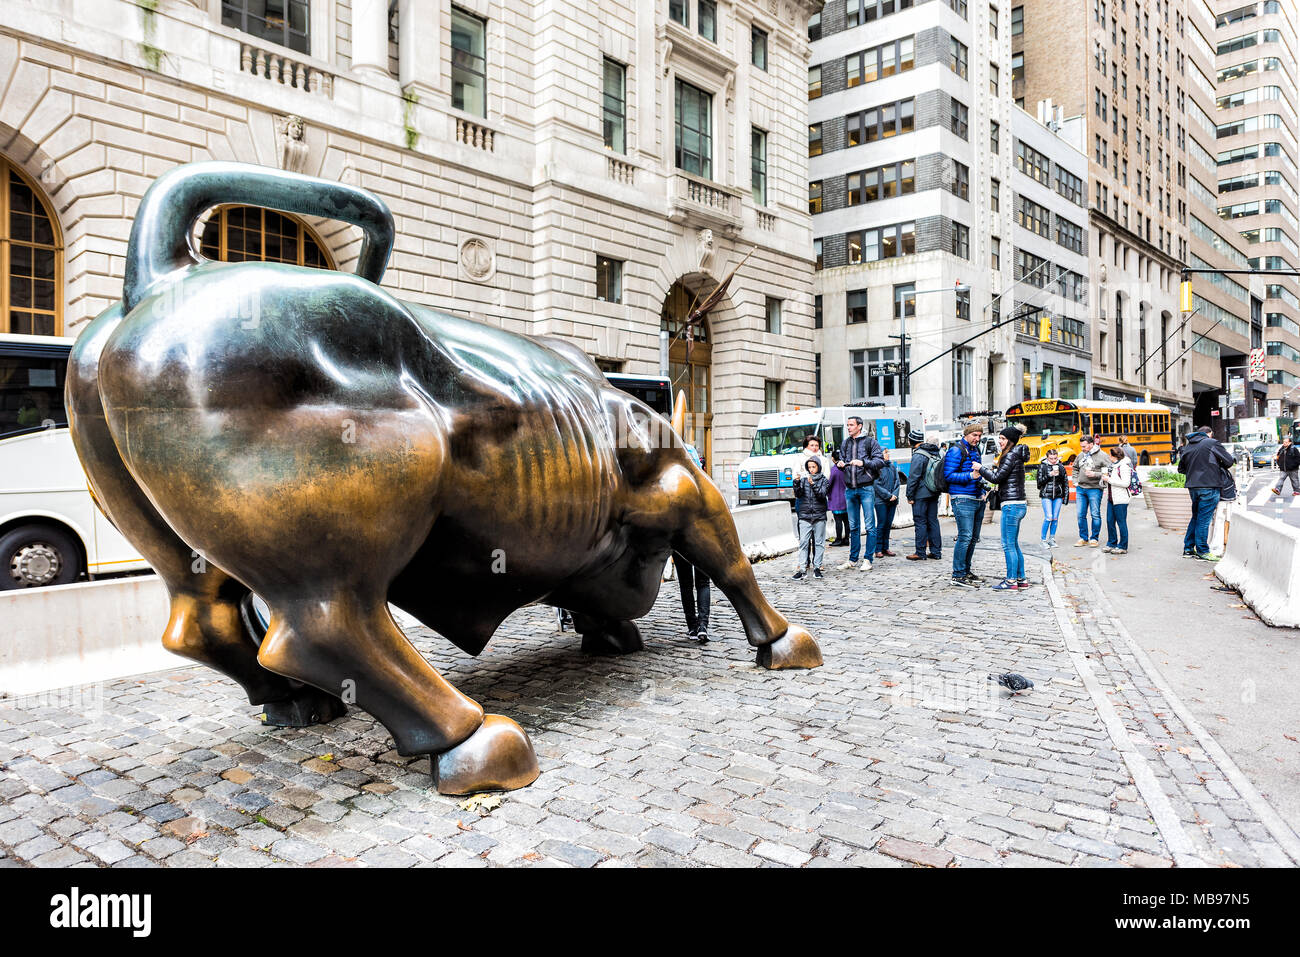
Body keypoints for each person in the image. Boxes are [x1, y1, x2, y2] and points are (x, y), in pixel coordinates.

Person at [976, 424, 1030, 590]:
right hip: (1019, 503)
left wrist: (980, 469)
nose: (1000, 441)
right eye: (999, 438)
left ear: (1011, 441)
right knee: (1013, 543)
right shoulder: (1017, 455)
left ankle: (1011, 580)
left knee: (1007, 544)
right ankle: (1021, 579)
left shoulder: (1010, 456)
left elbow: (997, 478)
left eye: (1003, 439)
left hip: (1012, 504)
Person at [835, 416, 886, 572]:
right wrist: (840, 464)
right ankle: (852, 559)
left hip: (866, 488)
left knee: (870, 526)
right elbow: (841, 461)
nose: (848, 427)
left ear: (859, 426)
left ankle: (868, 559)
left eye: (851, 425)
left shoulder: (870, 442)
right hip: (850, 489)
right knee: (854, 526)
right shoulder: (845, 443)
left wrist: (863, 463)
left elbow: (880, 461)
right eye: (847, 425)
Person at [1177, 425, 1234, 561]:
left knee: (1196, 517)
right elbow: (1229, 461)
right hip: (1209, 485)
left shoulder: (1188, 447)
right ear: (1209, 434)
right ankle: (1202, 550)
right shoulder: (1211, 443)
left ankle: (1188, 549)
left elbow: (1181, 469)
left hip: (1193, 487)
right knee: (1204, 520)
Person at [944, 422, 989, 587]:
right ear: (966, 434)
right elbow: (949, 475)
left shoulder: (975, 450)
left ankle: (966, 571)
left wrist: (983, 491)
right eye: (974, 435)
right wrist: (970, 475)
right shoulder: (956, 450)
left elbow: (979, 474)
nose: (977, 438)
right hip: (962, 498)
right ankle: (957, 574)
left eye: (979, 435)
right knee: (965, 536)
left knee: (973, 538)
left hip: (977, 497)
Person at [674, 442, 711, 641]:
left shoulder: (672, 486)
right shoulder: (704, 486)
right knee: (703, 583)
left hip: (680, 541)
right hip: (702, 539)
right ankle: (703, 625)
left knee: (686, 584)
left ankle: (693, 626)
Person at [905, 429, 942, 560]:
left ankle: (920, 552)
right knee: (933, 521)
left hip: (921, 494)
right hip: (934, 491)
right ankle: (936, 552)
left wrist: (910, 495)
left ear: (911, 441)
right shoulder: (935, 452)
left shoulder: (918, 455)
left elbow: (913, 477)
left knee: (920, 522)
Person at [792, 457, 829, 580]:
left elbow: (822, 495)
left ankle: (817, 568)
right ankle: (802, 570)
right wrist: (796, 483)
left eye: (814, 467)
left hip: (819, 515)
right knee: (803, 543)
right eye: (809, 467)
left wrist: (813, 484)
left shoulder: (824, 480)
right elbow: (798, 495)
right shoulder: (803, 480)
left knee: (819, 543)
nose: (811, 469)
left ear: (818, 467)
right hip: (805, 516)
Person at [1072, 435, 1108, 548]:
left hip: (1095, 489)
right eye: (1081, 446)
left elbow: (1109, 470)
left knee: (1095, 514)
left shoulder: (1102, 455)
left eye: (1084, 446)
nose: (1082, 448)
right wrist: (1075, 480)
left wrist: (1095, 474)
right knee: (1080, 515)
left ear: (1091, 444)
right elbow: (1075, 468)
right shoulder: (1081, 455)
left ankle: (1094, 538)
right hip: (1081, 488)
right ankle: (1083, 538)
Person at [1101, 446, 1133, 555]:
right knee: (1110, 521)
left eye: (1110, 455)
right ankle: (1112, 543)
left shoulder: (1124, 466)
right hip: (1111, 498)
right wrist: (1104, 479)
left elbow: (1126, 483)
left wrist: (1109, 479)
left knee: (1121, 522)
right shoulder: (1112, 466)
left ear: (1114, 456)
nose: (1109, 457)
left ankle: (1123, 546)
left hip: (1121, 499)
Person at [1036, 447, 1069, 547]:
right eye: (1051, 458)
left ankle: (1052, 538)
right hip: (1046, 494)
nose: (1054, 460)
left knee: (1055, 518)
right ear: (1047, 458)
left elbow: (1065, 482)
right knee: (1049, 517)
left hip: (1058, 495)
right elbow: (1039, 483)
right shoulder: (1042, 466)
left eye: (1055, 458)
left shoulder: (1061, 466)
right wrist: (1049, 475)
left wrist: (1066, 497)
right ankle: (1043, 540)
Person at [871, 457, 900, 558]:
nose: (888, 454)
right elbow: (876, 484)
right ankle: (878, 549)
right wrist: (888, 495)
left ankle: (885, 547)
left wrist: (895, 495)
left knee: (888, 524)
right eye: (886, 452)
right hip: (880, 501)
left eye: (888, 452)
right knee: (881, 524)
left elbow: (897, 481)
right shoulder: (877, 468)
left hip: (893, 500)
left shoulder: (892, 466)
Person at [827, 453, 848, 545]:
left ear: (832, 458)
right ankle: (847, 539)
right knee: (846, 520)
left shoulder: (834, 470)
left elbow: (829, 484)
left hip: (836, 499)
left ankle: (839, 539)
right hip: (846, 498)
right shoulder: (846, 469)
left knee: (838, 521)